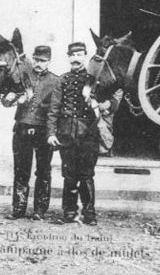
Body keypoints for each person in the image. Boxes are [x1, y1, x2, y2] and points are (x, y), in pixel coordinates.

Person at [1, 46, 58, 220]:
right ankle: (18, 208)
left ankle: (39, 210)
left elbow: (55, 110)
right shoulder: (22, 77)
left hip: (42, 131)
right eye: (36, 60)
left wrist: (51, 133)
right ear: (32, 59)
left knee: (43, 171)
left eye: (42, 61)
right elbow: (5, 100)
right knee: (21, 170)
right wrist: (12, 98)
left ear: (49, 61)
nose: (39, 64)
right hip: (22, 129)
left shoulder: (55, 81)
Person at [47, 42, 100, 225]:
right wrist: (51, 133)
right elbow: (54, 109)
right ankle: (69, 212)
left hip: (88, 134)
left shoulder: (94, 80)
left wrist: (94, 99)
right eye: (72, 55)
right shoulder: (62, 80)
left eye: (79, 54)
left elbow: (111, 102)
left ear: (85, 56)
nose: (75, 58)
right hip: (66, 134)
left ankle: (89, 213)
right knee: (69, 175)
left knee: (86, 174)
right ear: (68, 57)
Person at [97, 88, 124, 157]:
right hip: (94, 104)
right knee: (100, 125)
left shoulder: (116, 84)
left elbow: (116, 99)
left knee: (105, 127)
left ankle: (107, 147)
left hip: (107, 107)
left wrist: (108, 104)